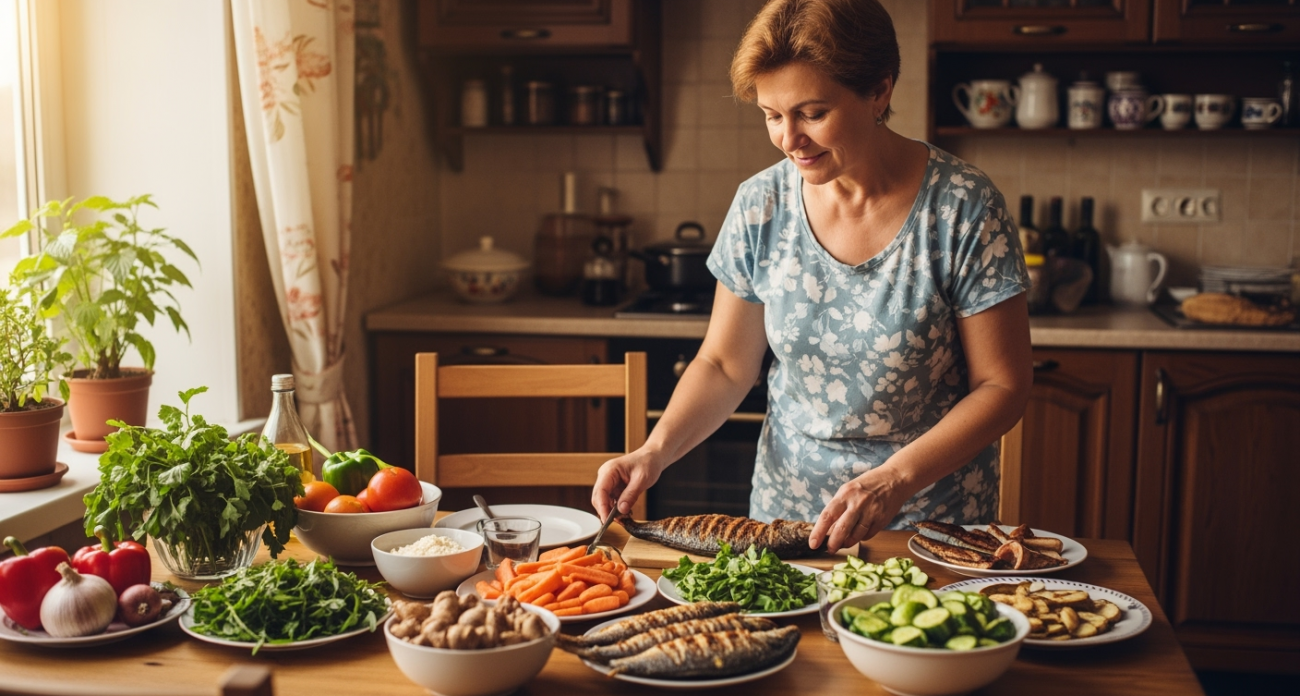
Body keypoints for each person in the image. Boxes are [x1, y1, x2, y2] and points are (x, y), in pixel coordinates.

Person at [593, 0, 1032, 553]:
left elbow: (1003, 386)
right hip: (783, 525)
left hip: (927, 527)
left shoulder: (964, 207)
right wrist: (652, 453)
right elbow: (726, 365)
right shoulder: (761, 204)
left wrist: (893, 480)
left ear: (879, 91)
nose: (788, 138)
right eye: (772, 115)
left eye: (812, 113)